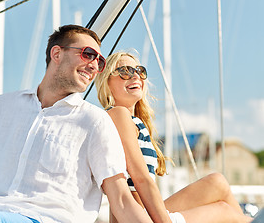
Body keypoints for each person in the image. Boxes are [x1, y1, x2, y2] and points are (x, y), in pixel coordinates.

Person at [0, 25, 153, 223]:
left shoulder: (95, 121)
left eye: (99, 61)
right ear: (57, 54)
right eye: (87, 54)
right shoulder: (2, 107)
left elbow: (121, 199)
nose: (94, 66)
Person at [94, 50, 253, 223]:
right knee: (224, 210)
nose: (135, 76)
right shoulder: (118, 114)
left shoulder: (133, 121)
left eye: (140, 71)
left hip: (147, 214)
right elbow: (141, 179)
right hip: (138, 218)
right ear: (106, 82)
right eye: (125, 71)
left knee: (217, 182)